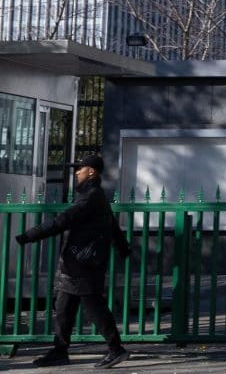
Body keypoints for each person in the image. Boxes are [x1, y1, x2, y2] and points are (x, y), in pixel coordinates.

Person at [15, 154, 131, 368]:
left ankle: (116, 349)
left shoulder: (91, 197)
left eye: (81, 168)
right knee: (63, 308)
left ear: (92, 172)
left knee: (95, 308)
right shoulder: (93, 195)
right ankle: (60, 351)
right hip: (75, 265)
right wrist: (122, 247)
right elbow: (112, 224)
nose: (76, 171)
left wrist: (29, 236)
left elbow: (62, 221)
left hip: (83, 266)